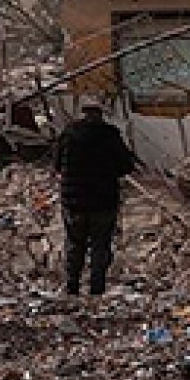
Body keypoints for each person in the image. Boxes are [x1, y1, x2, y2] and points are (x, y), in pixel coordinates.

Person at [53, 102, 136, 296]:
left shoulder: (68, 135)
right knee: (100, 244)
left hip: (73, 202)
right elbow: (126, 166)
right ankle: (96, 289)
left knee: (75, 244)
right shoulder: (109, 135)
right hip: (103, 201)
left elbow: (57, 165)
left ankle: (72, 286)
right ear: (100, 114)